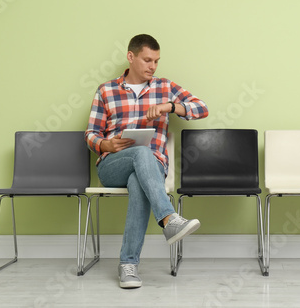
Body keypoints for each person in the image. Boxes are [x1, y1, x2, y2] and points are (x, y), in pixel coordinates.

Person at [85, 34, 208, 288]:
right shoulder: (106, 90)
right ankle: (168, 219)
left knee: (139, 178)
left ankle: (128, 265)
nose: (153, 66)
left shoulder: (165, 88)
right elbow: (91, 134)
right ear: (131, 57)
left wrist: (170, 107)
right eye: (147, 60)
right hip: (112, 165)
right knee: (142, 152)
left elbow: (201, 108)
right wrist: (105, 144)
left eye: (156, 61)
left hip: (152, 168)